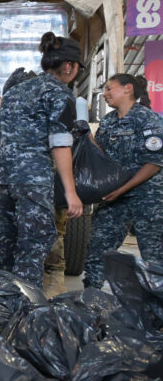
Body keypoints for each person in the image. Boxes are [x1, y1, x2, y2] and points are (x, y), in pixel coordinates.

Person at [0, 32, 83, 289]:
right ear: (68, 66)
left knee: (9, 243)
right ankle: (24, 308)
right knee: (35, 241)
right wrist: (70, 191)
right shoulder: (59, 93)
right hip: (32, 178)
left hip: (2, 177)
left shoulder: (14, 91)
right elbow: (60, 142)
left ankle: (1, 305)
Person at [83, 74, 163, 289]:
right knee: (98, 250)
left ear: (128, 89)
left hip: (147, 198)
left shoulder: (148, 119)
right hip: (114, 196)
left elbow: (154, 162)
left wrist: (122, 190)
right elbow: (101, 156)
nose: (105, 93)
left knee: (153, 258)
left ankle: (154, 314)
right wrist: (87, 138)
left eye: (110, 88)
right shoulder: (108, 121)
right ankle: (91, 303)